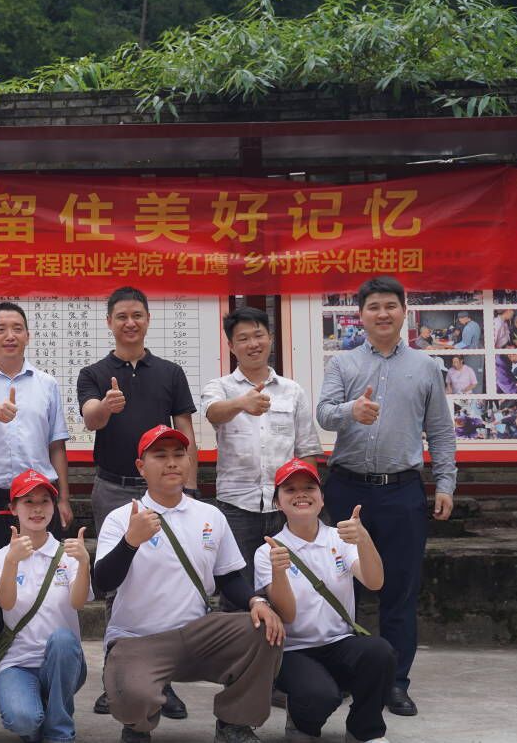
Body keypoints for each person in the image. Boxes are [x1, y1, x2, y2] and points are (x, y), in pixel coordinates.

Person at [316, 276, 456, 717]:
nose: (382, 313)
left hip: (402, 492)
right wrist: (351, 410)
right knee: (342, 586)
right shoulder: (343, 364)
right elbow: (324, 414)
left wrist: (446, 484)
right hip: (347, 488)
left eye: (390, 306)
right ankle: (342, 675)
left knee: (400, 590)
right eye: (373, 306)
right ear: (360, 315)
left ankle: (395, 682)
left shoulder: (426, 366)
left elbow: (441, 431)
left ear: (403, 312)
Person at [94, 426, 285, 743]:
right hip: (139, 639)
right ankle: (137, 727)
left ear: (189, 461)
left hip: (198, 634)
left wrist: (257, 602)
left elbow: (229, 578)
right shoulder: (122, 518)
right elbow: (103, 581)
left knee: (266, 629)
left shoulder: (210, 515)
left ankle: (234, 724)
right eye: (160, 455)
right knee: (132, 695)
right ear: (141, 467)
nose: (171, 463)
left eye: (178, 455)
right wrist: (130, 541)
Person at [76, 286, 197, 718]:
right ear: (109, 322)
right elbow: (90, 418)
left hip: (163, 492)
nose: (130, 323)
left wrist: (188, 487)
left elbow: (184, 428)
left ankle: (164, 680)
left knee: (165, 578)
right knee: (116, 582)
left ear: (148, 319)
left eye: (137, 315)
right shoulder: (93, 372)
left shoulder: (170, 372)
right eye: (122, 316)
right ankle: (116, 678)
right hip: (113, 489)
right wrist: (107, 408)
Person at [0, 301, 73, 652]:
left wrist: (64, 498)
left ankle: (45, 658)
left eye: (17, 328)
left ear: (28, 336)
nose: (10, 335)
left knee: (45, 582)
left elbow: (57, 444)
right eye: (1, 329)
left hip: (39, 499)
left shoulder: (47, 384)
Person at [255, 459, 394, 743]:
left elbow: (375, 582)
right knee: (320, 695)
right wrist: (279, 573)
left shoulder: (340, 539)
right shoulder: (268, 551)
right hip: (294, 650)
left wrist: (364, 539)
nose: (301, 494)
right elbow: (287, 615)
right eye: (290, 489)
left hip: (340, 642)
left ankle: (364, 731)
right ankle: (301, 724)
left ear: (321, 499)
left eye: (309, 488)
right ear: (278, 503)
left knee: (380, 653)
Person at [200, 306, 321, 592]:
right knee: (239, 589)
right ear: (231, 346)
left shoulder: (292, 390)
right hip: (236, 508)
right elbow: (213, 411)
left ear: (270, 338)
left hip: (285, 506)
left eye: (258, 335)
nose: (253, 344)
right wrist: (241, 403)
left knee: (289, 587)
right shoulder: (220, 387)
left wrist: (308, 501)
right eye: (243, 339)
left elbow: (305, 449)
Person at [0, 469, 91, 743]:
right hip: (17, 663)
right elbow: (6, 602)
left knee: (63, 639)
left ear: (54, 506)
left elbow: (78, 602)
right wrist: (12, 561)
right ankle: (41, 708)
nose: (37, 509)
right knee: (23, 720)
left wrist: (84, 564)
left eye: (44, 501)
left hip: (64, 662)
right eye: (28, 502)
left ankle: (59, 731)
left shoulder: (69, 554)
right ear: (13, 508)